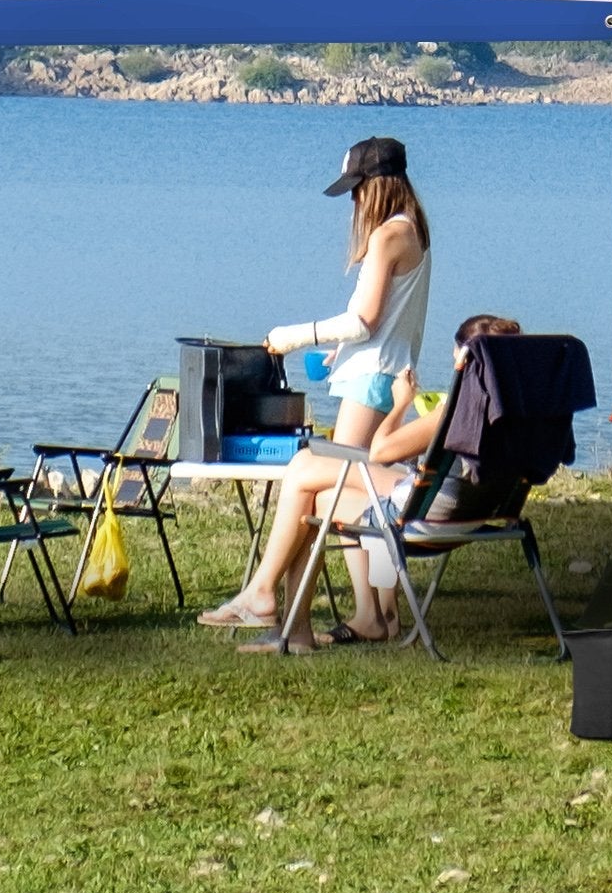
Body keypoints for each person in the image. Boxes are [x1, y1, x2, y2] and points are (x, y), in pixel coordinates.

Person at [198, 315, 522, 652]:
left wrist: (401, 405)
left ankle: (271, 603)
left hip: (429, 513)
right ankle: (294, 622)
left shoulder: (457, 411)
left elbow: (380, 452)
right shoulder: (523, 409)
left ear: (465, 359)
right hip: (474, 510)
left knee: (306, 475)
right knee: (314, 492)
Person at [261, 135, 432, 634]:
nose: (355, 202)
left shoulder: (387, 238)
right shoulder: (416, 231)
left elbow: (363, 321)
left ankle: (321, 618)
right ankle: (376, 610)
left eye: (358, 189)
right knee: (353, 496)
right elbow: (390, 319)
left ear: (378, 186)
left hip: (371, 379)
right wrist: (341, 351)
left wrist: (294, 336)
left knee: (331, 489)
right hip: (381, 371)